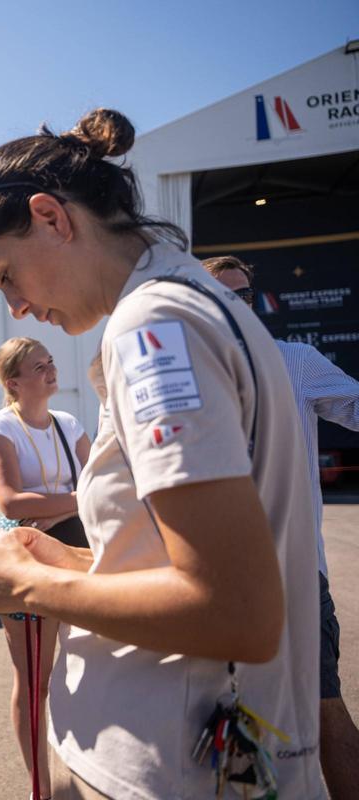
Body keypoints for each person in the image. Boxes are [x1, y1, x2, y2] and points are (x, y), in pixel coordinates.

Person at [0, 108, 324, 799]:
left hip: (172, 760)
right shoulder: (196, 302)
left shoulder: (153, 328)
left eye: (5, 275)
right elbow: (191, 560)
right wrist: (76, 559)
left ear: (52, 217)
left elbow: (235, 608)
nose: (16, 306)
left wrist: (26, 587)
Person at [206, 254, 359, 799]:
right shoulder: (188, 372)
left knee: (322, 708)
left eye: (243, 296)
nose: (235, 306)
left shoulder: (293, 359)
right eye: (220, 296)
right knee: (225, 724)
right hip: (210, 586)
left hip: (294, 574)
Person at [0, 339, 89, 798]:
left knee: (90, 667)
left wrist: (60, 507)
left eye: (50, 362)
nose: (49, 370)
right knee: (35, 677)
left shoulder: (69, 423)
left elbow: (104, 483)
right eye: (37, 366)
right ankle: (39, 786)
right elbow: (11, 500)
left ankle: (87, 771)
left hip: (80, 551)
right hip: (25, 557)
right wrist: (77, 500)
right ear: (13, 383)